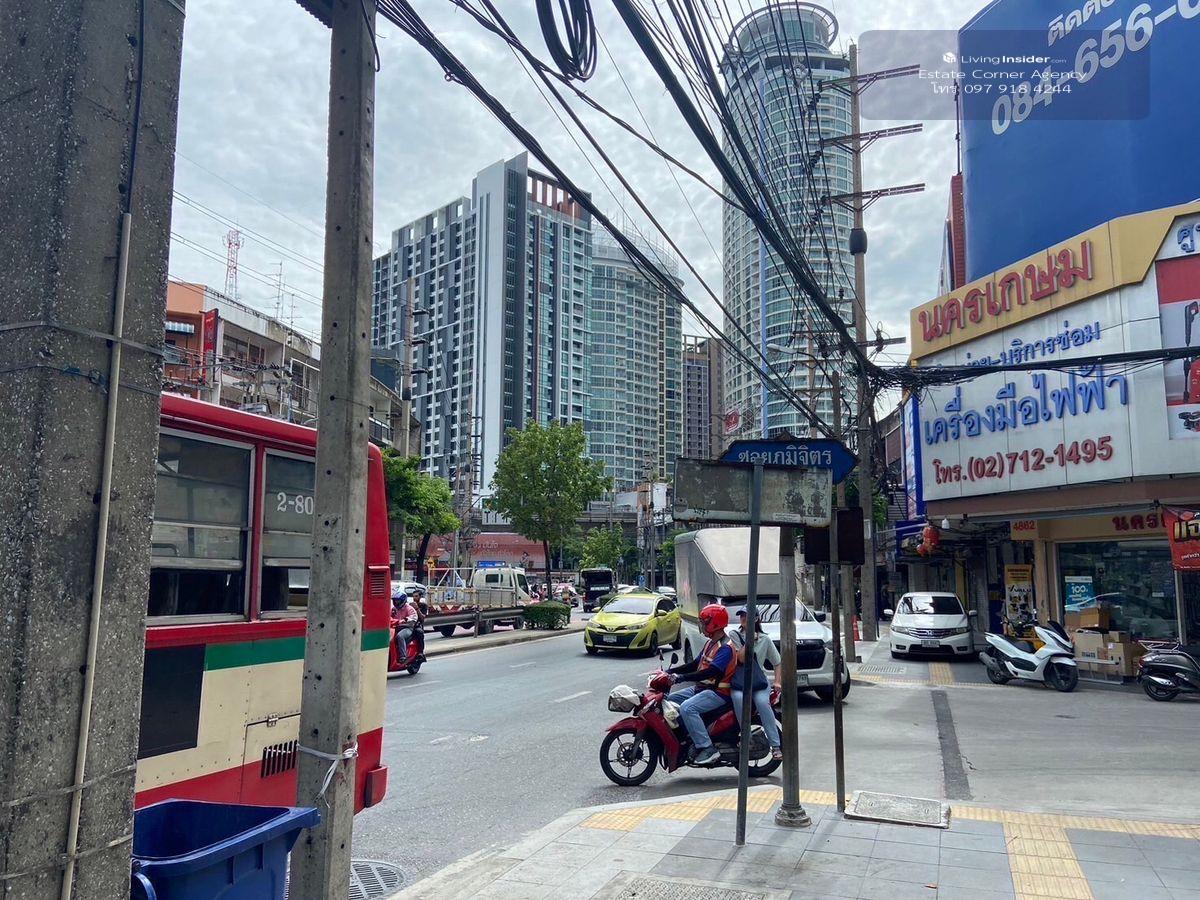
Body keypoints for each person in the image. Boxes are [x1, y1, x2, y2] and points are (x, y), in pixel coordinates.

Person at [666, 604, 736, 766]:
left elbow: (710, 672)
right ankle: (686, 738)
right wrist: (669, 672)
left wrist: (681, 678)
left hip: (718, 693)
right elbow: (694, 664)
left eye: (705, 622)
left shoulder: (725, 648)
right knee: (669, 700)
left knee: (687, 708)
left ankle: (707, 747)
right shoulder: (711, 643)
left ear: (715, 623)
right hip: (702, 688)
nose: (702, 626)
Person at [730, 609, 783, 761]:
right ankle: (746, 737)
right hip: (740, 681)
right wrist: (749, 641)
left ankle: (776, 746)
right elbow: (740, 659)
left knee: (762, 703)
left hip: (758, 682)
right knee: (738, 699)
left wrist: (777, 681)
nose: (743, 618)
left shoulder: (765, 639)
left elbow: (777, 662)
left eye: (747, 616)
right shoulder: (734, 635)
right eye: (741, 616)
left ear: (755, 619)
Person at [392, 590, 421, 661]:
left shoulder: (409, 608)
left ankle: (403, 656)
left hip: (407, 628)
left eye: (398, 601)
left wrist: (405, 619)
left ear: (402, 600)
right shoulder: (394, 609)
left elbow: (414, 616)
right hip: (396, 627)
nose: (396, 602)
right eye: (395, 600)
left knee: (400, 636)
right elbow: (389, 616)